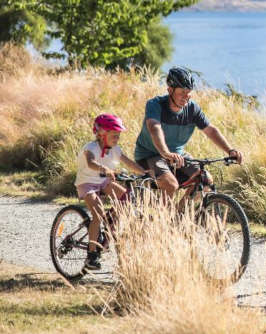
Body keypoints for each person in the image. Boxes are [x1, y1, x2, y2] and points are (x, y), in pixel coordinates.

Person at [134, 66, 243, 202]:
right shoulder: (155, 105)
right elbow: (154, 128)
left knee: (205, 180)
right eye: (182, 93)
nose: (186, 97)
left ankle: (179, 216)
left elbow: (210, 130)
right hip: (149, 155)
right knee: (171, 185)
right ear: (170, 90)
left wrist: (230, 150)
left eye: (189, 93)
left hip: (177, 156)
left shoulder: (192, 109)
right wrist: (166, 153)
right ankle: (161, 220)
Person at [75, 113, 146, 270]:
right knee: (98, 214)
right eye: (114, 135)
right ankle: (91, 255)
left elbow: (129, 163)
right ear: (101, 135)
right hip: (87, 183)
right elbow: (91, 162)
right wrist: (104, 169)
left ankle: (107, 234)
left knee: (127, 198)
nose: (117, 138)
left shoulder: (115, 150)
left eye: (118, 135)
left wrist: (145, 173)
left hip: (104, 181)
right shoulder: (90, 148)